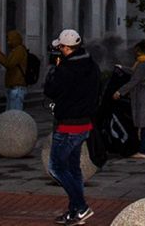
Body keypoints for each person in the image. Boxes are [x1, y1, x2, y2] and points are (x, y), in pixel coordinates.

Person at [43, 29, 100, 226]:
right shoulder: (91, 64)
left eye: (60, 47)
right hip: (84, 123)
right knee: (73, 169)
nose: (58, 50)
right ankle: (74, 211)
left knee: (56, 167)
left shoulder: (65, 69)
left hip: (68, 125)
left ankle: (81, 206)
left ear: (67, 48)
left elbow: (50, 89)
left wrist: (55, 69)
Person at [113, 40, 145, 158]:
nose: (135, 53)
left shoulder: (142, 64)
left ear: (140, 51)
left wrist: (119, 92)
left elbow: (134, 80)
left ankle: (143, 151)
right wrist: (122, 67)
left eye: (137, 50)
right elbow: (134, 72)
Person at [0, 29, 29, 110]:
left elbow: (9, 64)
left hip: (17, 87)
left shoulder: (19, 50)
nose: (8, 42)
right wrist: (0, 54)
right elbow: (9, 62)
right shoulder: (15, 50)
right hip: (13, 86)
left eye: (10, 40)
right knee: (10, 113)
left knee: (15, 114)